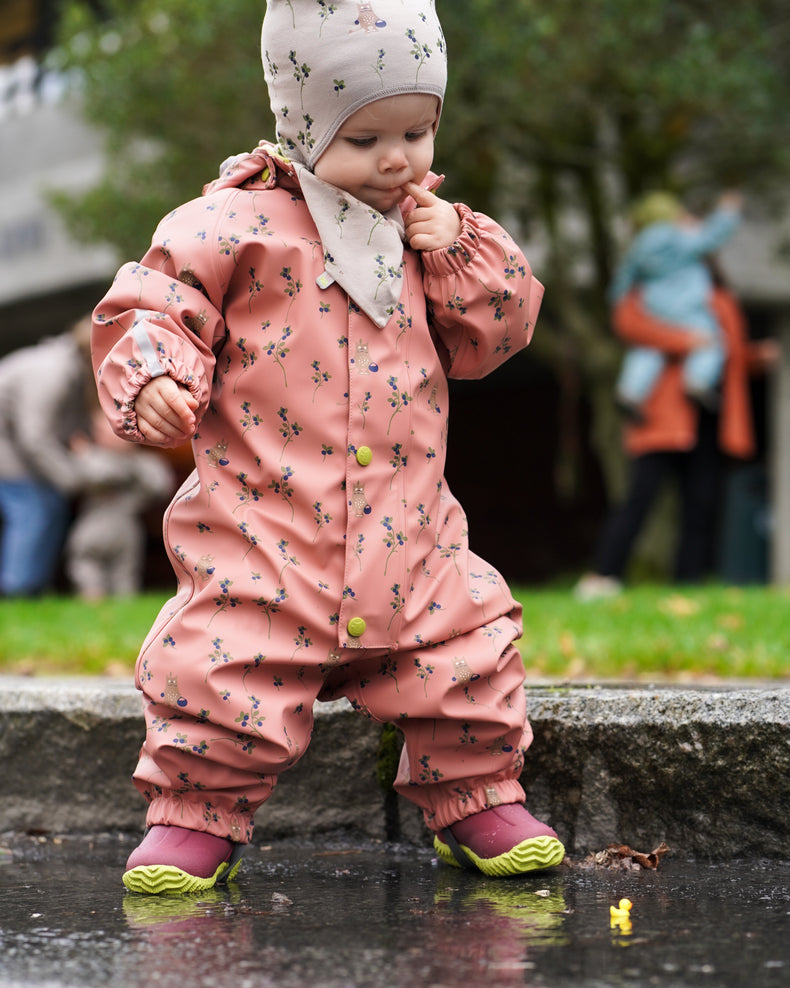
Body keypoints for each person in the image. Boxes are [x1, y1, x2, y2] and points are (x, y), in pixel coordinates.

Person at [92, 0, 564, 895]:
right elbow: (159, 303)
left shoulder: (430, 233)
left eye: (418, 131)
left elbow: (495, 337)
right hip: (265, 537)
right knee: (220, 668)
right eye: (365, 140)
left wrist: (462, 254)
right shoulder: (229, 226)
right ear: (301, 127)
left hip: (409, 540)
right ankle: (196, 816)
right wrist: (154, 374)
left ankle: (475, 795)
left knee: (462, 649)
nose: (397, 160)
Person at [576, 277, 778, 601]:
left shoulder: (720, 299)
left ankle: (689, 585)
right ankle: (604, 576)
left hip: (707, 418)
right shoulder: (651, 290)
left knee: (700, 506)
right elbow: (631, 326)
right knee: (638, 501)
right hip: (661, 421)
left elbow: (732, 352)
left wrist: (756, 358)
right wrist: (688, 340)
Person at [610, 190, 741, 418]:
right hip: (686, 302)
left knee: (648, 348)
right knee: (711, 341)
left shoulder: (638, 245)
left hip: (653, 304)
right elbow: (711, 237)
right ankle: (698, 381)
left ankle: (629, 392)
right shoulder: (677, 237)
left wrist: (616, 297)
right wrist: (727, 212)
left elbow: (624, 277)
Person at [0, 317, 94, 596]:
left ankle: (34, 586)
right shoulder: (50, 371)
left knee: (50, 508)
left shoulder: (72, 370)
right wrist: (71, 478)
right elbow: (34, 437)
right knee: (34, 509)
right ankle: (17, 591)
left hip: (19, 454)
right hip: (10, 457)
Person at [65, 408, 175, 600]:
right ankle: (93, 596)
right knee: (86, 564)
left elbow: (161, 486)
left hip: (124, 526)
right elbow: (84, 478)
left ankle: (121, 602)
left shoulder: (140, 463)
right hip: (96, 524)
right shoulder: (96, 458)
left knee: (124, 573)